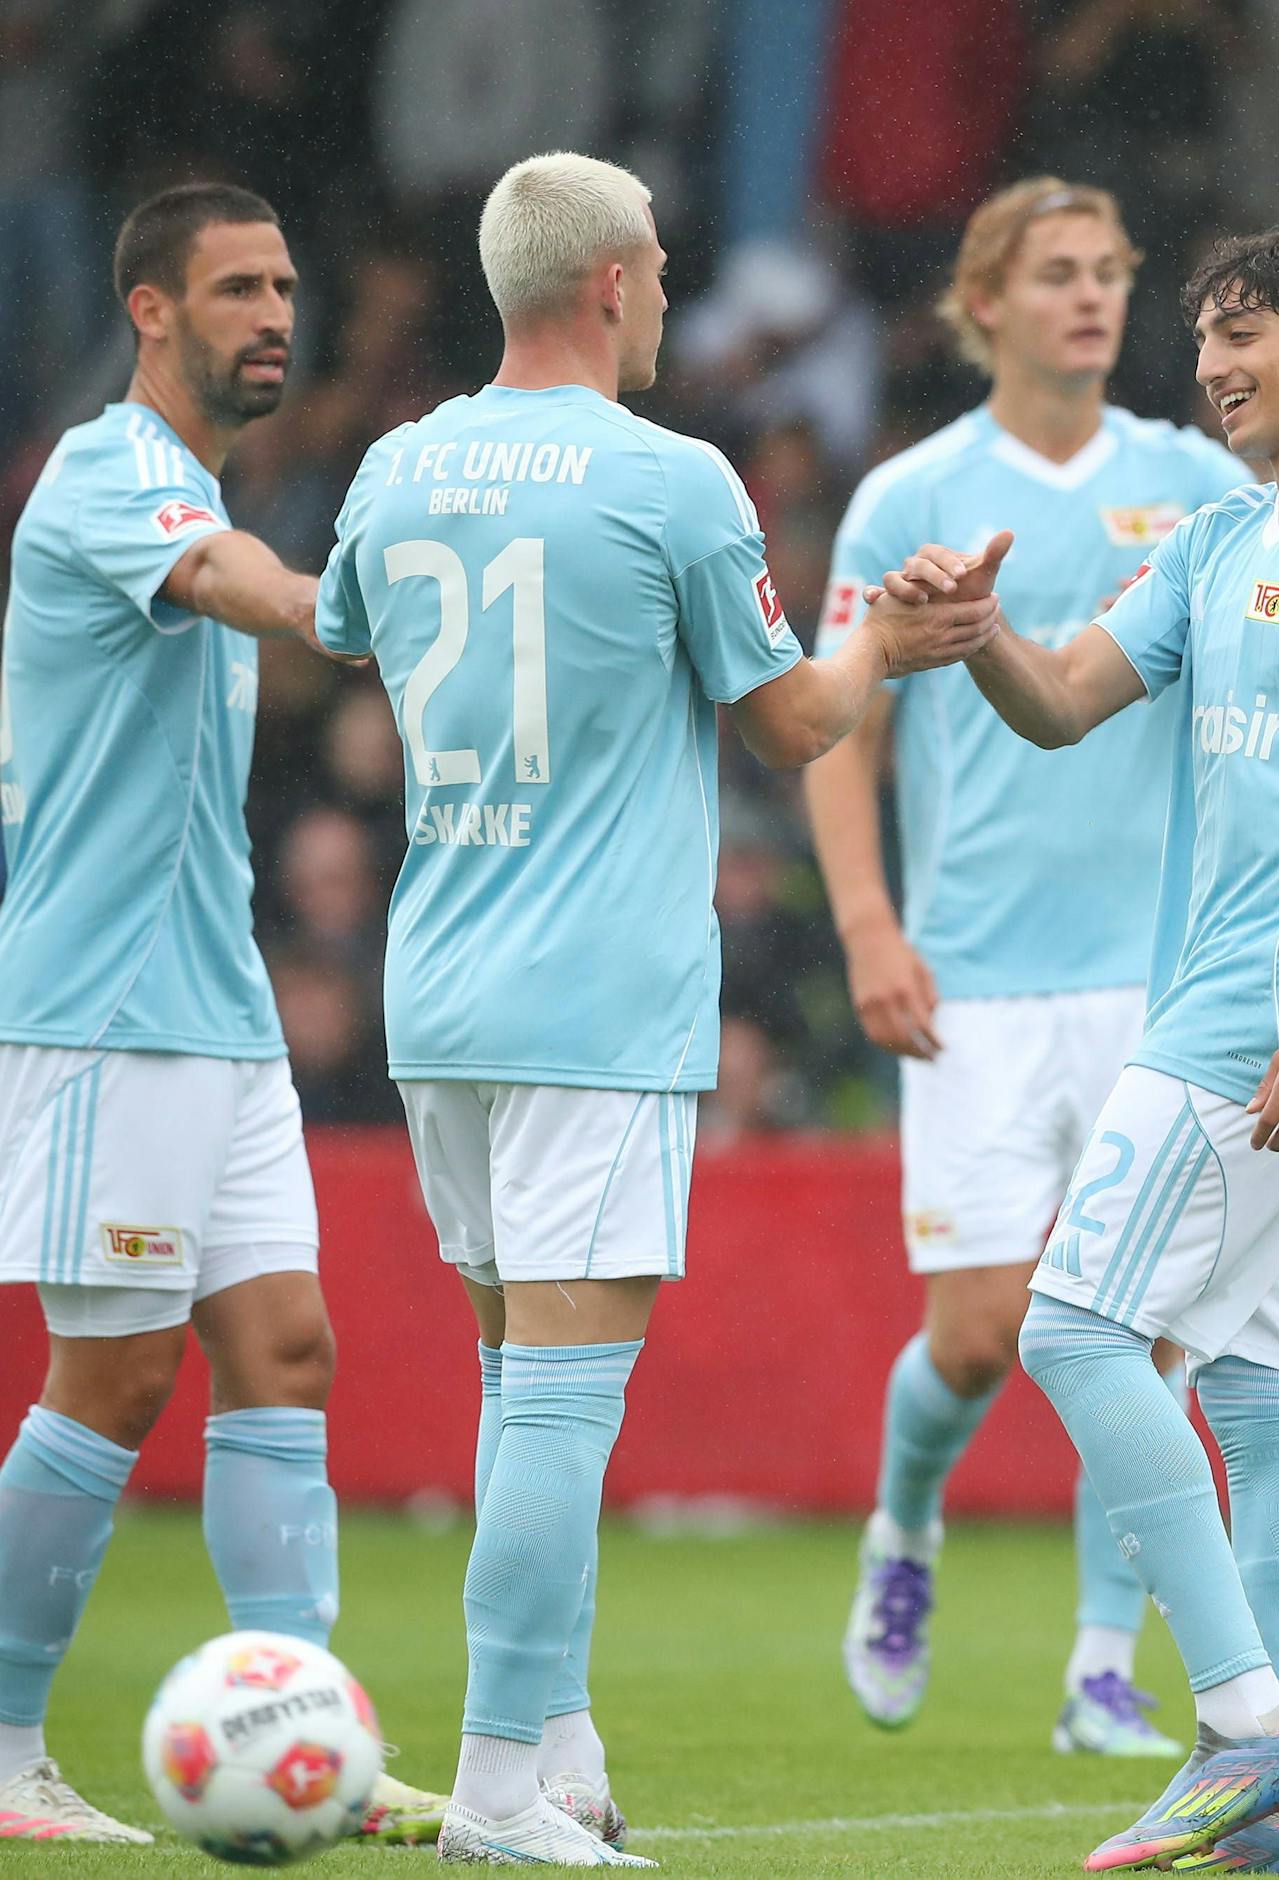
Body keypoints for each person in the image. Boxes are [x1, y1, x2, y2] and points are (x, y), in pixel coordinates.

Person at [314, 151, 998, 1868]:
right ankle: (491, 1791)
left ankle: (557, 1745)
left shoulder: (398, 466)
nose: (675, 295)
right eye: (668, 270)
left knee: (507, 1377)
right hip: (594, 990)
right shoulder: (674, 477)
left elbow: (347, 636)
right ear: (614, 280)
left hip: (442, 981)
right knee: (560, 1398)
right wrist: (882, 650)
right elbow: (788, 727)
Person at [879, 222, 1279, 1873]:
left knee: (1075, 1335)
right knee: (1266, 1399)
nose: (1213, 362)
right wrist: (975, 633)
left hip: (1262, 1035)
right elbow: (1069, 695)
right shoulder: (1224, 534)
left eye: (1246, 332)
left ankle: (1240, 1724)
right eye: (1204, 336)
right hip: (1252, 1029)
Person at [0, 183, 446, 1844]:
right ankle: (3, 1753)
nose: (275, 313)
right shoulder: (115, 472)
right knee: (108, 1383)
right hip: (106, 1009)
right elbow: (246, 583)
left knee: (287, 1352)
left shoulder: (186, 477)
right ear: (148, 310)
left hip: (215, 1001)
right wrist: (367, 608)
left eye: (285, 284)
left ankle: (303, 1740)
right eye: (238, 287)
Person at [804, 176, 1245, 1757]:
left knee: (1136, 1342)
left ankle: (1100, 1671)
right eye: (1057, 273)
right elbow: (835, 726)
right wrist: (868, 923)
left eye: (1112, 273)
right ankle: (905, 1525)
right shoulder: (907, 495)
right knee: (986, 1333)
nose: (1090, 298)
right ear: (983, 300)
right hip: (976, 973)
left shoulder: (1199, 481)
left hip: (1157, 978)